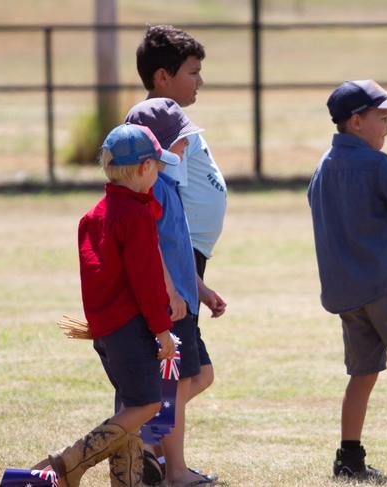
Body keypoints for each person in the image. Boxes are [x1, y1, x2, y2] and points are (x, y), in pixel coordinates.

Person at [307, 79, 387, 479]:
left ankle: (349, 457)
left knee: (361, 376)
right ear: (356, 121)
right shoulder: (376, 164)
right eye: (383, 118)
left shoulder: (323, 167)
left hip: (348, 295)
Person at [48, 123, 179, 487]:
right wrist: (162, 329)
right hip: (132, 328)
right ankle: (71, 460)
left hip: (107, 330)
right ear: (142, 169)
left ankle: (128, 481)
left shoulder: (95, 215)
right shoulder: (136, 216)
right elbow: (147, 280)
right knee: (147, 406)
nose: (160, 173)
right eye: (157, 166)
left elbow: (97, 276)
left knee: (130, 409)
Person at [136, 27, 227, 479]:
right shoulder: (160, 125)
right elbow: (158, 216)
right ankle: (163, 460)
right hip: (174, 265)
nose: (199, 81)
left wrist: (199, 284)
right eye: (192, 73)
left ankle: (143, 442)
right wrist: (179, 278)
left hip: (187, 268)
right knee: (177, 374)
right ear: (163, 77)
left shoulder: (179, 125)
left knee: (199, 373)